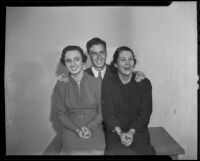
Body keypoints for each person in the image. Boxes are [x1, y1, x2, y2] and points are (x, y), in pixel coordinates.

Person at [43, 38, 146, 155]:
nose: (98, 57)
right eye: (94, 53)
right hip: (92, 126)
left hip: (116, 126)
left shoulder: (118, 70)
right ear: (88, 56)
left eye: (102, 52)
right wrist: (63, 79)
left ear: (106, 53)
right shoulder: (78, 75)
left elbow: (129, 74)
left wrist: (138, 74)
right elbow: (73, 78)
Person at [101, 46, 156, 155]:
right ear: (115, 64)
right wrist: (120, 133)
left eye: (130, 59)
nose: (127, 63)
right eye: (123, 60)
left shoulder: (144, 83)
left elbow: (145, 113)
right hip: (115, 131)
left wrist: (131, 132)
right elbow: (108, 114)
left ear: (134, 63)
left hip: (137, 130)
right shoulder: (108, 84)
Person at [52, 45, 105, 155]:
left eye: (77, 59)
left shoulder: (96, 83)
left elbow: (102, 112)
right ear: (65, 63)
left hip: (94, 126)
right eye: (68, 61)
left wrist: (89, 127)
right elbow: (60, 114)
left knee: (97, 152)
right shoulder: (61, 85)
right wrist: (76, 130)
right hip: (71, 128)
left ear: (83, 61)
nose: (73, 64)